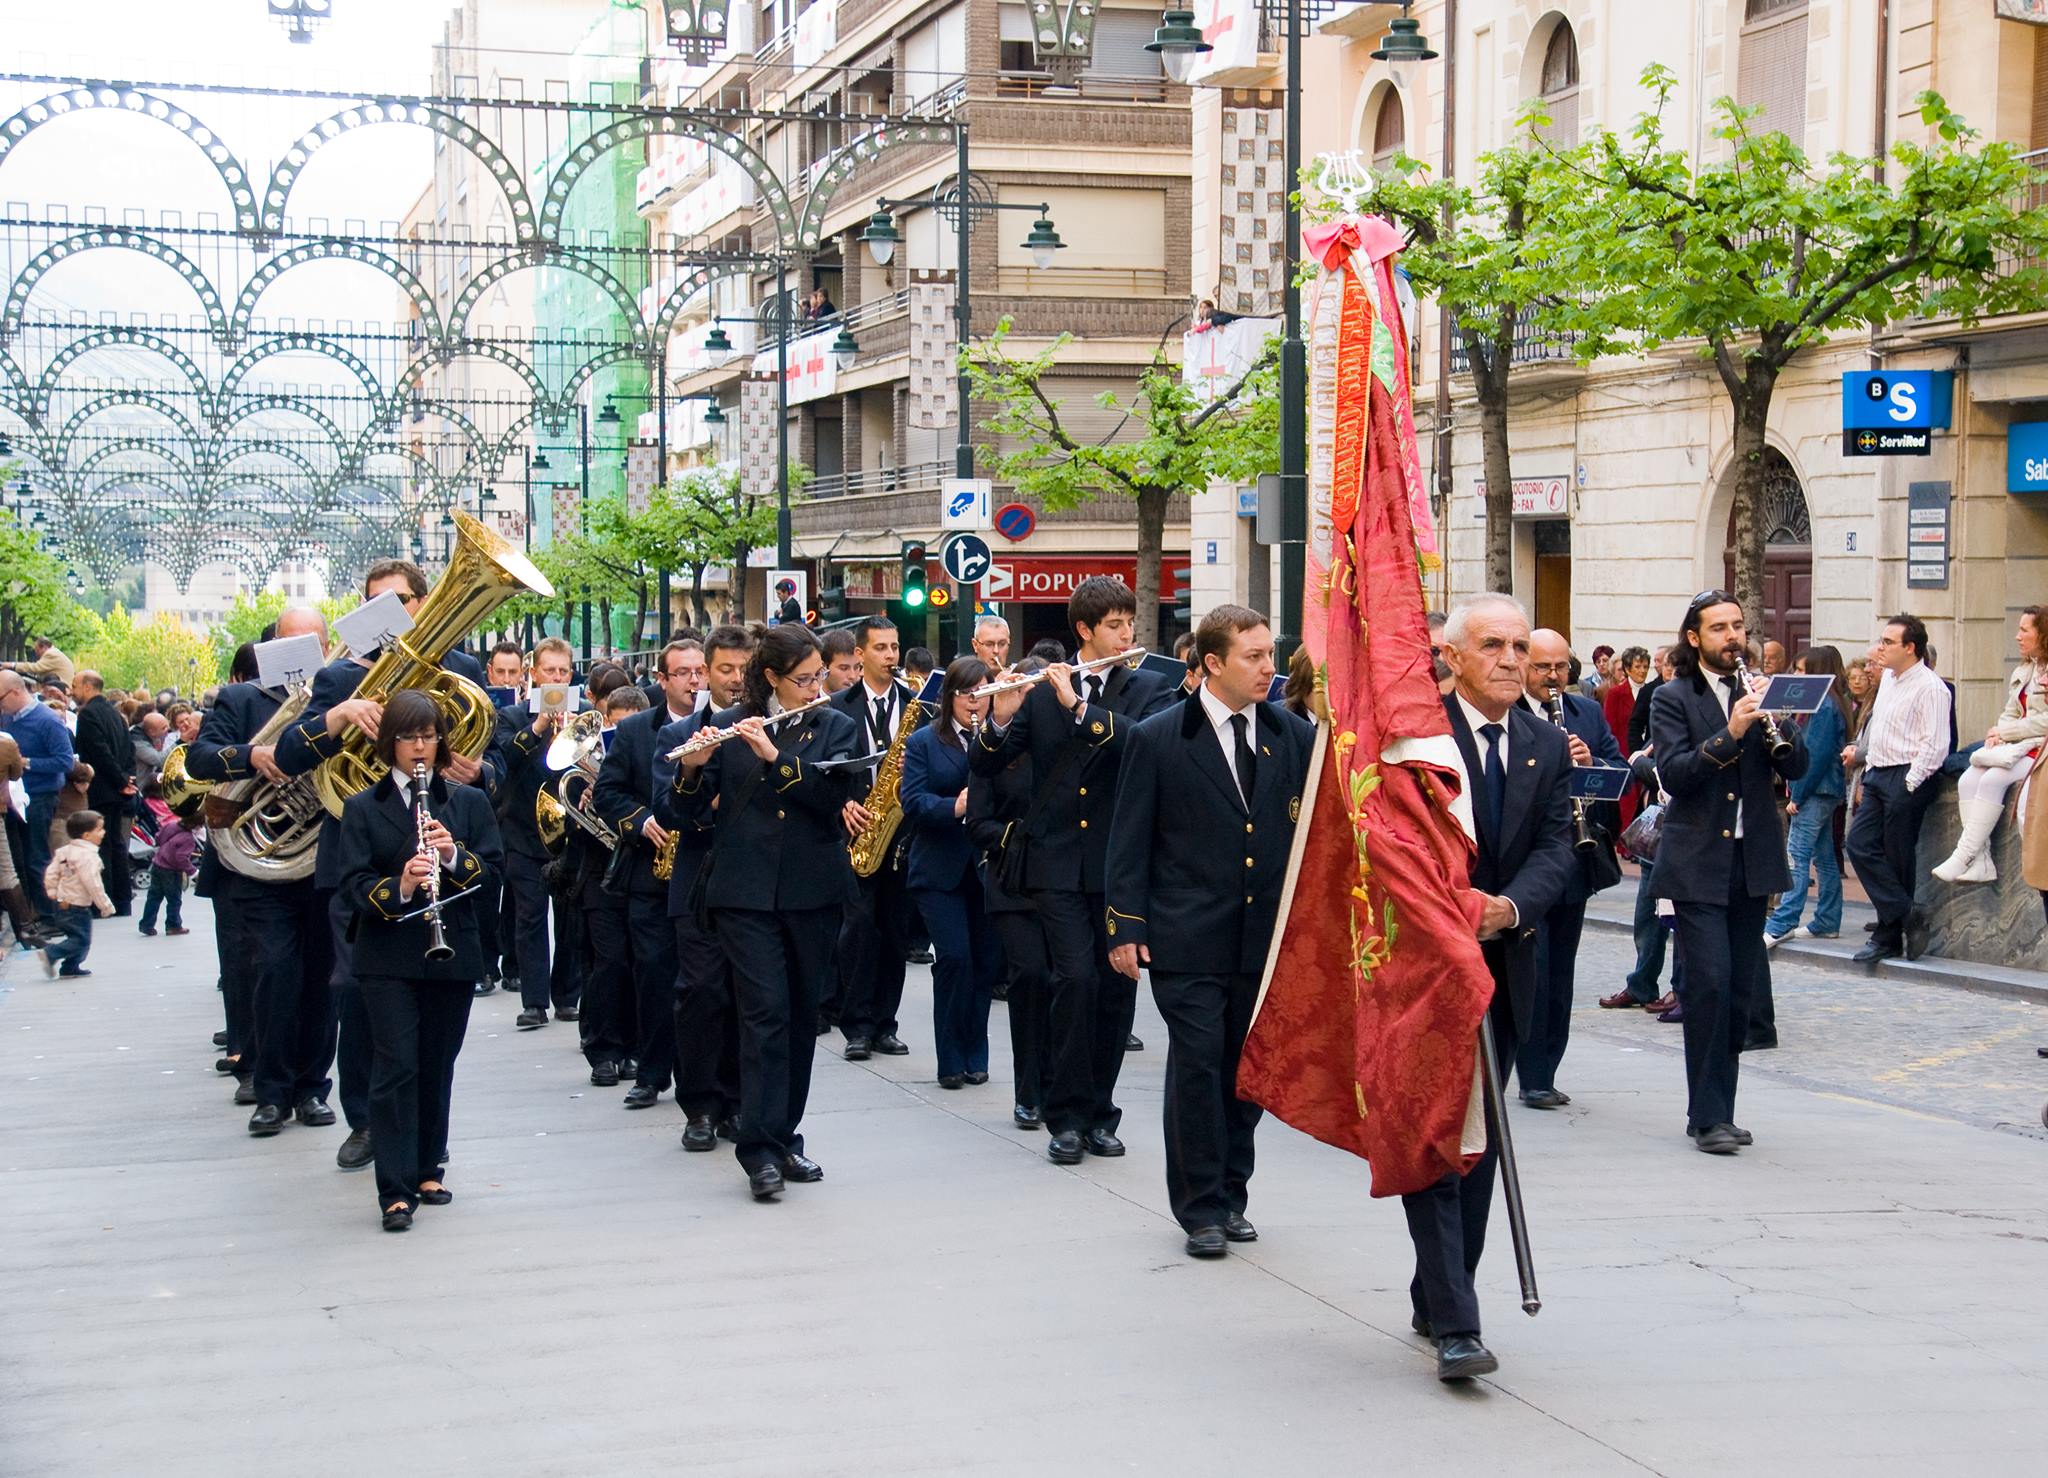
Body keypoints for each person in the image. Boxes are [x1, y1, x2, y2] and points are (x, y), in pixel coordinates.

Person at [1105, 605, 1311, 1258]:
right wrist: (1125, 926)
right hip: (1187, 935)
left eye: (1270, 655)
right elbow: (1129, 839)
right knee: (1198, 1064)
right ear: (1212, 663)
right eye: (1253, 657)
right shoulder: (1159, 737)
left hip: (1262, 939)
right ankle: (1199, 1209)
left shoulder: (1292, 735)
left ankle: (1232, 1190)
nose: (1268, 669)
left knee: (1245, 1069)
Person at [1403, 594, 1574, 1380]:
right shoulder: (1415, 737)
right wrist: (1449, 910)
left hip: (1506, 964)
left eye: (1518, 646)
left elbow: (1557, 849)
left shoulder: (1544, 741)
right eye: (1494, 646)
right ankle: (1457, 1324)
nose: (1512, 659)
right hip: (1423, 972)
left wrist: (1507, 907)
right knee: (1439, 1137)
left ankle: (1439, 1289)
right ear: (1454, 655)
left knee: (1479, 1137)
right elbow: (1393, 846)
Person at [277, 564, 498, 1165]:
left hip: (441, 861)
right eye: (377, 604)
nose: (391, 613)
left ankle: (425, 1135)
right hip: (363, 862)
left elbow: (495, 758)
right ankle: (368, 1121)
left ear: (424, 603)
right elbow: (289, 755)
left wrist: (478, 771)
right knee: (358, 995)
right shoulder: (339, 678)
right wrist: (337, 718)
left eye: (401, 601)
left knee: (430, 1011)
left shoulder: (463, 674)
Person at [970, 576, 1176, 1166]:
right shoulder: (1038, 692)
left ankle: (1100, 1113)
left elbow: (1144, 747)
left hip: (1119, 865)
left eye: (1129, 623)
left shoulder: (1148, 689)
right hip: (1055, 863)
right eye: (1114, 625)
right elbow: (986, 765)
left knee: (1115, 990)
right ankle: (1063, 1115)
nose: (1127, 634)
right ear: (1084, 631)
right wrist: (1000, 718)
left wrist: (1081, 708)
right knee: (1074, 981)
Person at [673, 624, 858, 1200]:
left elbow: (831, 800)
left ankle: (784, 1136)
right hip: (744, 895)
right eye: (803, 679)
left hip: (812, 891)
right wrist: (692, 768)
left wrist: (776, 757)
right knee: (764, 1013)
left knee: (802, 1016)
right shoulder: (730, 728)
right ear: (772, 678)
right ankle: (758, 1151)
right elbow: (683, 815)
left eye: (818, 677)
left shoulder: (838, 727)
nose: (814, 687)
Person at [338, 689, 503, 1233]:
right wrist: (403, 884)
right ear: (390, 743)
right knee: (396, 1065)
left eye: (429, 736)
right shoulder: (363, 807)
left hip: (451, 951)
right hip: (387, 956)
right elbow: (354, 884)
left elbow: (492, 875)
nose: (420, 747)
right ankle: (394, 1187)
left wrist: (453, 854)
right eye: (409, 737)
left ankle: (429, 1165)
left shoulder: (468, 803)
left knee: (437, 1061)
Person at [1648, 590, 1807, 1153]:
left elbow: (1797, 766)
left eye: (1737, 626)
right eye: (1719, 628)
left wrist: (1781, 719)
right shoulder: (1673, 697)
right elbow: (1676, 773)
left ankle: (1722, 1111)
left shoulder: (1758, 693)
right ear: (1695, 638)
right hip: (1696, 864)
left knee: (1740, 991)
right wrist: (1732, 733)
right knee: (1709, 984)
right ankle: (1707, 1115)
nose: (1732, 637)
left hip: (1751, 861)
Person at [650, 623, 753, 1149]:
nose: (735, 679)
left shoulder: (763, 729)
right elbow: (671, 811)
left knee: (744, 996)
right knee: (701, 993)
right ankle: (700, 1106)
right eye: (725, 669)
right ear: (705, 674)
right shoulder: (677, 734)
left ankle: (737, 1103)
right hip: (696, 885)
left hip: (752, 884)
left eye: (743, 669)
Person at [1515, 628, 1625, 1109]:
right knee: (1531, 970)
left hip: (1575, 860)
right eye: (1543, 667)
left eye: (1561, 667)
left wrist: (1590, 760)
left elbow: (1618, 774)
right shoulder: (1508, 713)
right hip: (1524, 861)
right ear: (1524, 666)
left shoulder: (1587, 711)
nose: (1553, 677)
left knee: (1561, 972)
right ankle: (1528, 1072)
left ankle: (1547, 1068)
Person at [591, 640, 698, 1108]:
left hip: (700, 874)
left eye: (699, 672)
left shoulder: (723, 725)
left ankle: (699, 1076)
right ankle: (651, 1073)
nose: (694, 681)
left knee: (699, 984)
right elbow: (607, 793)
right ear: (663, 680)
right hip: (649, 876)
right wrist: (640, 821)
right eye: (683, 673)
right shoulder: (635, 731)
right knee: (654, 974)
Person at [899, 657, 998, 1089]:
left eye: (982, 693)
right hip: (939, 868)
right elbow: (913, 801)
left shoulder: (999, 740)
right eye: (967, 693)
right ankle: (950, 1059)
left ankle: (977, 1053)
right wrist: (953, 807)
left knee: (983, 964)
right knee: (954, 959)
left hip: (985, 867)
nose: (975, 702)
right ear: (950, 697)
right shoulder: (924, 741)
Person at [965, 658, 1051, 1128]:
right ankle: (1029, 1090)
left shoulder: (1063, 743)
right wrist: (1015, 839)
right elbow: (977, 821)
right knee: (1030, 976)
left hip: (1061, 882)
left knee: (1065, 982)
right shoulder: (995, 748)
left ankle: (1060, 1086)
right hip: (1012, 881)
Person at [831, 616, 917, 1059]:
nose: (890, 656)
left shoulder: (918, 704)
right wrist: (842, 801)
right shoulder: (835, 705)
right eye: (880, 648)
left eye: (894, 647)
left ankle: (886, 1023)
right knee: (858, 929)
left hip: (900, 835)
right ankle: (857, 1024)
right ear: (859, 655)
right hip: (856, 830)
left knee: (894, 932)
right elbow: (824, 764)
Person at [1844, 614, 1951, 963]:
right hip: (1879, 772)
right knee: (1858, 844)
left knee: (1898, 855)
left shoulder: (1931, 687)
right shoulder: (1889, 679)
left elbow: (1936, 744)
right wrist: (1872, 766)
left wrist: (1909, 782)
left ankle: (1889, 936)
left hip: (1907, 775)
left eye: (1888, 642)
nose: (1880, 647)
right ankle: (1909, 913)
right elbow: (1881, 730)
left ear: (1910, 647)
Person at [495, 638, 584, 1027]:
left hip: (569, 835)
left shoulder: (583, 717)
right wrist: (539, 727)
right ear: (534, 675)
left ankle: (567, 996)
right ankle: (534, 1002)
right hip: (523, 833)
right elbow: (505, 760)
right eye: (550, 671)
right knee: (529, 918)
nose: (558, 678)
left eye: (564, 671)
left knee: (570, 919)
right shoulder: (513, 717)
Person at [1933, 605, 2048, 884]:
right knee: (1967, 780)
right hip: (2015, 744)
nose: (2018, 637)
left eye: (2024, 630)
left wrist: (2005, 731)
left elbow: (2043, 721)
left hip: (2036, 748)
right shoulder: (2024, 669)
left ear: (2043, 634)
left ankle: (1963, 855)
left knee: (1993, 779)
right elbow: (2010, 710)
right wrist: (1998, 733)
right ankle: (1980, 861)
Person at [1765, 646, 1850, 944]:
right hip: (1824, 790)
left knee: (1796, 854)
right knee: (1823, 855)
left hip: (1817, 790)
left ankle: (1783, 922)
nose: (1795, 676)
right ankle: (1827, 920)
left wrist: (1797, 796)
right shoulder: (1826, 705)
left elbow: (1814, 756)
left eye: (1801, 671)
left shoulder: (1825, 706)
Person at [0, 670, 76, 923]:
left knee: (36, 857)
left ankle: (47, 915)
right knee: (18, 860)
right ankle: (28, 913)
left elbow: (65, 762)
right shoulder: (8, 718)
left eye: (1, 698)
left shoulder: (47, 720)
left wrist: (25, 762)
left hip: (39, 796)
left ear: (16, 692)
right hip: (14, 797)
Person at [70, 670, 137, 919]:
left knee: (102, 845)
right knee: (116, 843)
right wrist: (127, 779)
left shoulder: (87, 714)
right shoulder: (116, 714)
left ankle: (104, 901)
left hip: (102, 787)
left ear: (88, 687)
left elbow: (98, 752)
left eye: (75, 685)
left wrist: (120, 780)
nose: (72, 691)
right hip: (118, 787)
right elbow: (128, 749)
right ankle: (122, 900)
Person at [39, 808, 114, 977]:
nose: (103, 833)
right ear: (87, 835)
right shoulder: (89, 856)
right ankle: (50, 953)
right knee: (82, 940)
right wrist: (105, 906)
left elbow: (51, 872)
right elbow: (93, 884)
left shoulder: (64, 851)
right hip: (77, 906)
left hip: (61, 903)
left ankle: (69, 967)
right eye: (100, 829)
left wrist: (51, 890)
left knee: (77, 937)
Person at [138, 809, 198, 937]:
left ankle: (146, 924)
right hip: (172, 871)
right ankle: (173, 925)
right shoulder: (188, 838)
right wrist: (192, 872)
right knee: (174, 900)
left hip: (157, 864)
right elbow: (181, 857)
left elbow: (158, 837)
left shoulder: (171, 826)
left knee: (153, 897)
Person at [8, 637, 75, 689]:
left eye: (37, 650)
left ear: (44, 647)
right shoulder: (56, 652)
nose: (36, 654)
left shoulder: (51, 654)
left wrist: (12, 665)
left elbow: (35, 668)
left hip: (58, 690)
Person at [820, 628, 860, 694]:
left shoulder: (867, 701)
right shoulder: (807, 701)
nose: (852, 676)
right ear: (824, 668)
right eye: (844, 668)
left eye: (856, 667)